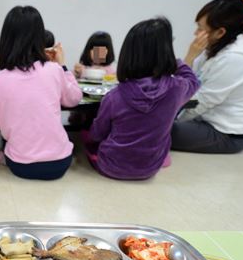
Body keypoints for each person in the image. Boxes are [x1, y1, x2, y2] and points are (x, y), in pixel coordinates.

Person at [84, 18, 199, 180]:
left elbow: (97, 134)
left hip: (110, 166)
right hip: (151, 169)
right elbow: (193, 81)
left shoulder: (114, 96)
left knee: (87, 139)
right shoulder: (177, 88)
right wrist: (174, 60)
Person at [0, 6, 82, 180]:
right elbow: (74, 99)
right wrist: (63, 67)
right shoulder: (54, 70)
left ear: (5, 39)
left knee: (1, 147)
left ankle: (1, 157)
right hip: (60, 164)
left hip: (21, 167)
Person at [172, 0, 243, 154]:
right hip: (204, 118)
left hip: (227, 134)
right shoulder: (216, 46)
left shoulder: (236, 58)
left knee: (148, 130)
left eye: (201, 29)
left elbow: (201, 102)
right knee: (146, 123)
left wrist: (167, 118)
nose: (196, 33)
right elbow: (187, 83)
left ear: (220, 32)